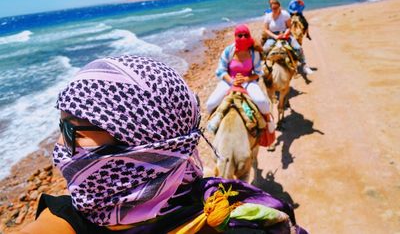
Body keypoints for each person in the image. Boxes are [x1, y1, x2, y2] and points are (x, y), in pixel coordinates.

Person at [17, 55, 307, 234]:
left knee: (260, 103)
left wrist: (249, 78)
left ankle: (269, 127)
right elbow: (222, 69)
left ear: (143, 143)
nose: (59, 146)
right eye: (60, 126)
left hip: (250, 82)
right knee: (215, 108)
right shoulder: (63, 217)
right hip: (231, 83)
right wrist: (231, 80)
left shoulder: (229, 220)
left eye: (71, 129)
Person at [206, 24, 270, 118]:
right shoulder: (229, 51)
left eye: (246, 35)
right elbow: (221, 70)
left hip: (248, 82)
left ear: (249, 36)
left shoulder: (254, 53)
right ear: (235, 36)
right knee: (210, 104)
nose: (243, 38)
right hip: (229, 81)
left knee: (262, 102)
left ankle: (269, 122)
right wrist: (233, 81)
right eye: (240, 35)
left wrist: (245, 79)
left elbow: (257, 73)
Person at [262, 0, 313, 75]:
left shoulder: (285, 14)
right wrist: (275, 36)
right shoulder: (268, 16)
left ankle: (304, 65)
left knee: (298, 47)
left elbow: (289, 27)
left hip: (285, 34)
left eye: (276, 8)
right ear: (271, 8)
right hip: (273, 36)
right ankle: (262, 68)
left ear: (280, 7)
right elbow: (265, 29)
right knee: (264, 49)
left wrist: (285, 34)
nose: (275, 10)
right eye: (273, 8)